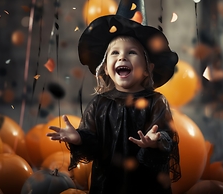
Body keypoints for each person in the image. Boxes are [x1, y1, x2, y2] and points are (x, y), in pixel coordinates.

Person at [47, 13, 181, 194]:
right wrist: (79, 138)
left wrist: (156, 141)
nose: (122, 57)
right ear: (105, 68)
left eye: (131, 52)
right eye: (115, 53)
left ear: (148, 69)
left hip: (146, 183)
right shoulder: (99, 104)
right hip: (107, 182)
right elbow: (92, 144)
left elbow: (167, 136)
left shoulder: (156, 102)